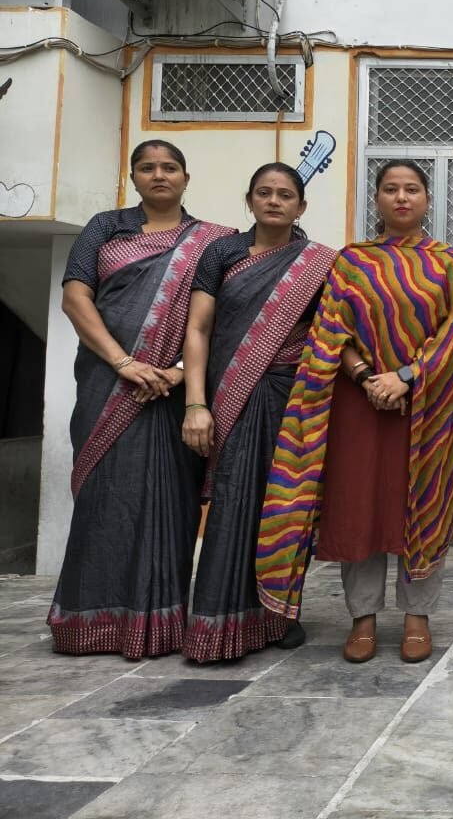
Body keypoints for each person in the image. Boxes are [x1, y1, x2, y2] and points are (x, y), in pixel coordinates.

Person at [256, 160, 453, 664]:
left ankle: (417, 616)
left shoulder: (449, 263)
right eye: (391, 189)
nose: (402, 197)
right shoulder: (351, 262)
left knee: (423, 503)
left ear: (427, 200)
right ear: (376, 199)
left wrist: (406, 376)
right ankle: (363, 617)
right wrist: (366, 377)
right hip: (359, 403)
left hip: (427, 406)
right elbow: (330, 330)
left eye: (412, 189)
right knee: (360, 506)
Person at [47, 140, 234, 657]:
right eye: (147, 168)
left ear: (186, 177)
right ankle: (88, 622)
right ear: (133, 177)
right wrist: (124, 363)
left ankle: (157, 624)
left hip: (173, 395)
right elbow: (75, 298)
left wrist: (177, 373)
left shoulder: (214, 242)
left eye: (169, 167)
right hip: (107, 385)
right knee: (103, 500)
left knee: (168, 505)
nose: (159, 175)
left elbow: (217, 323)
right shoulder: (105, 228)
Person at [180, 163, 336, 661]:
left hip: (296, 400)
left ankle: (278, 615)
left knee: (288, 506)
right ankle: (218, 621)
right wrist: (196, 403)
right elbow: (198, 328)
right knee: (232, 500)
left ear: (301, 206)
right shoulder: (221, 253)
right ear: (249, 200)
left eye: (285, 195)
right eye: (264, 193)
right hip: (232, 394)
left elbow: (333, 334)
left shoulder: (319, 263)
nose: (274, 201)